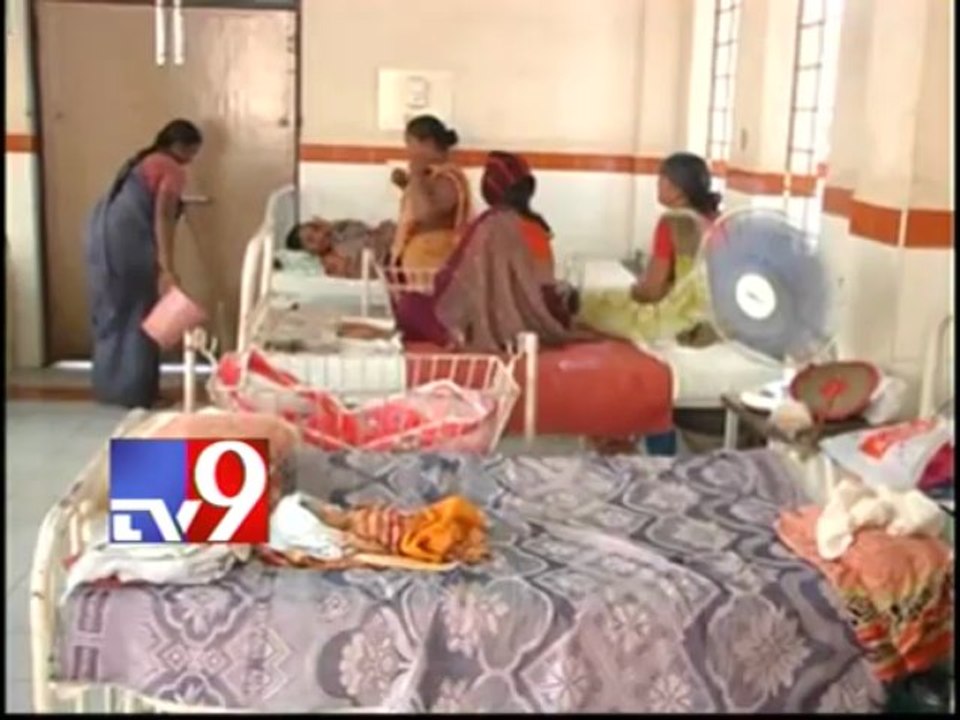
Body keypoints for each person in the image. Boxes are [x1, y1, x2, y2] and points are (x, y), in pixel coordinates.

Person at [393, 151, 589, 352]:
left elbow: (459, 283)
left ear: (490, 187)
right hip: (542, 317)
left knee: (410, 305)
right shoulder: (537, 227)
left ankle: (457, 336)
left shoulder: (490, 226)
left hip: (494, 317)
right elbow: (544, 285)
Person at [85, 119, 203, 408]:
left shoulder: (141, 162)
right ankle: (136, 394)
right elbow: (163, 218)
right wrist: (167, 268)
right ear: (181, 146)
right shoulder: (171, 169)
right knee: (141, 317)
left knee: (115, 314)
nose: (192, 159)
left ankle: (111, 389)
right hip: (130, 246)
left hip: (104, 242)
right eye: (193, 151)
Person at [577, 152, 721, 345]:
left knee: (592, 304)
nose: (657, 184)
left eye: (661, 178)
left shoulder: (672, 221)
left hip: (681, 322)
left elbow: (651, 291)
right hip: (718, 321)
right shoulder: (722, 221)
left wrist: (627, 295)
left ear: (677, 188)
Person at [389, 115, 472, 278]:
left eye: (410, 143)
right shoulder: (431, 174)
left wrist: (416, 176)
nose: (408, 151)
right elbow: (424, 202)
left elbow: (425, 214)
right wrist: (407, 185)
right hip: (420, 265)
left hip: (433, 264)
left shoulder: (448, 177)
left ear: (426, 143)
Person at [283, 218, 396, 277]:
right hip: (390, 261)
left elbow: (363, 228)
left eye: (317, 229)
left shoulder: (337, 235)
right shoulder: (332, 264)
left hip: (391, 240)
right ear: (308, 252)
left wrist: (333, 226)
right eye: (311, 240)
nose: (320, 236)